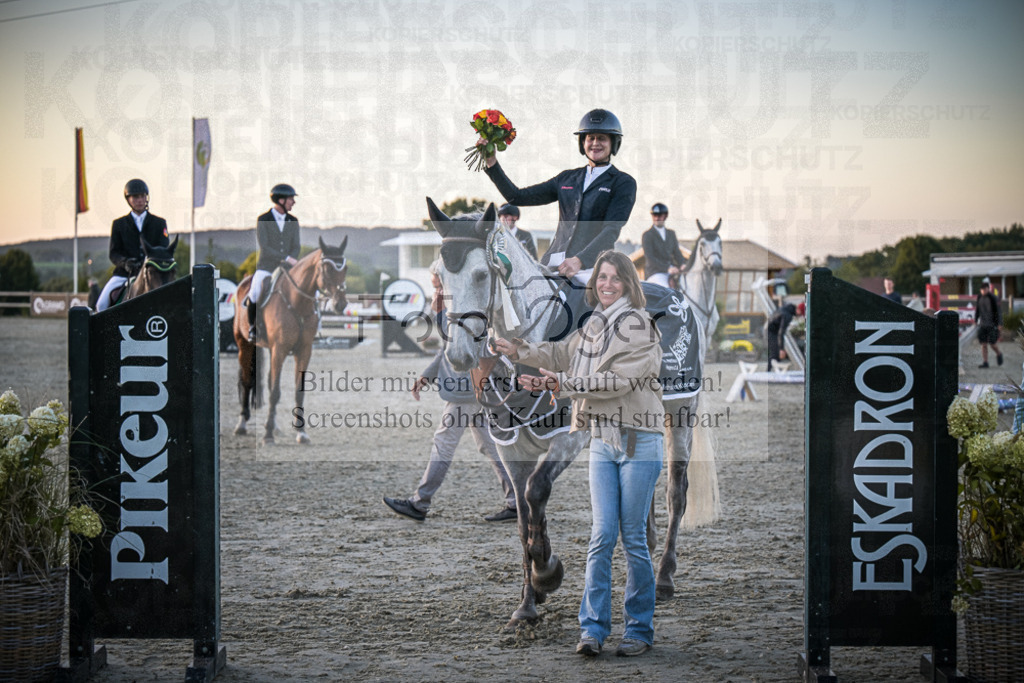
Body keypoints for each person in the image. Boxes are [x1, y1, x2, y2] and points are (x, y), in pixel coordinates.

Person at [493, 250, 664, 658]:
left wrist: (560, 385)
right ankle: (592, 630)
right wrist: (517, 350)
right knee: (601, 537)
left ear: (628, 283)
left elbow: (616, 382)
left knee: (633, 539)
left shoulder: (639, 326)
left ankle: (638, 630)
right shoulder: (593, 325)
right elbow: (559, 354)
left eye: (615, 278)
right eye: (601, 277)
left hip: (639, 441)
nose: (606, 284)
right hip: (603, 441)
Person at [383, 262, 517, 523]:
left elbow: (469, 349)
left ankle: (419, 502)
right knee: (490, 445)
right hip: (472, 387)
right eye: (434, 287)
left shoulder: (463, 309)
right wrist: (426, 375)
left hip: (468, 387)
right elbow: (445, 349)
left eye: (438, 287)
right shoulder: (449, 309)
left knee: (444, 443)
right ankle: (517, 501)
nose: (435, 293)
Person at [483, 109, 637, 283]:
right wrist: (491, 163)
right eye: (590, 138)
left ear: (613, 143)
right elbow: (517, 197)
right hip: (552, 265)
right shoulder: (566, 178)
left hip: (591, 268)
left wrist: (580, 260)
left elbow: (611, 231)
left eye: (601, 138)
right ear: (582, 143)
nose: (595, 143)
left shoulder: (623, 182)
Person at [95, 179, 170, 312]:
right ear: (128, 199)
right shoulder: (119, 224)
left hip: (154, 274)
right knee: (101, 304)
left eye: (142, 196)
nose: (140, 200)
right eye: (135, 197)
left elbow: (163, 248)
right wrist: (125, 263)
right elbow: (114, 253)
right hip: (125, 274)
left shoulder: (159, 223)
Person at [248, 183, 301, 342]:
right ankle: (253, 327)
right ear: (280, 200)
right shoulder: (263, 219)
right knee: (256, 290)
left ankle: (310, 324)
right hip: (267, 266)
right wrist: (285, 258)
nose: (293, 202)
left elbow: (296, 246)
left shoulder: (293, 220)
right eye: (291, 199)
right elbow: (265, 247)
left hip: (287, 268)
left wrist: (291, 259)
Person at [640, 202, 684, 289]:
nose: (657, 218)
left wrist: (682, 264)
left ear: (665, 216)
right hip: (656, 273)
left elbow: (677, 252)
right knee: (665, 290)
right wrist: (667, 268)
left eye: (659, 215)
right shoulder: (647, 235)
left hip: (672, 271)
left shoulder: (671, 233)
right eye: (654, 215)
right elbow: (650, 258)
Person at [764, 301, 804, 371]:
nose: (800, 316)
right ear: (798, 310)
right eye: (801, 314)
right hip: (771, 332)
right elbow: (781, 332)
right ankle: (768, 373)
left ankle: (773, 371)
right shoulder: (788, 315)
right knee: (775, 354)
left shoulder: (787, 308)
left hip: (769, 328)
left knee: (775, 354)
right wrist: (781, 348)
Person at [975, 280, 1002, 368]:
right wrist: (975, 320)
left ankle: (999, 354)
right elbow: (977, 310)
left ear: (988, 289)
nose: (983, 291)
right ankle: (985, 362)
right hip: (983, 324)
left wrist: (999, 323)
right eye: (981, 290)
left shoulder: (992, 298)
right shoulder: (979, 297)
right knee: (983, 344)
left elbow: (998, 312)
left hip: (992, 324)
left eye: (984, 289)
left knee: (992, 343)